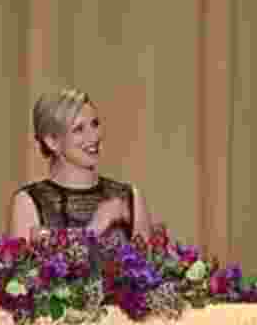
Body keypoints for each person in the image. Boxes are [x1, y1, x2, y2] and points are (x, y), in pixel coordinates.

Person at [8, 88, 152, 242]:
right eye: (79, 129)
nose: (94, 136)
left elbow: (145, 264)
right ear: (52, 141)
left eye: (95, 124)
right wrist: (94, 229)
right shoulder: (29, 201)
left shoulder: (129, 197)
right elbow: (28, 266)